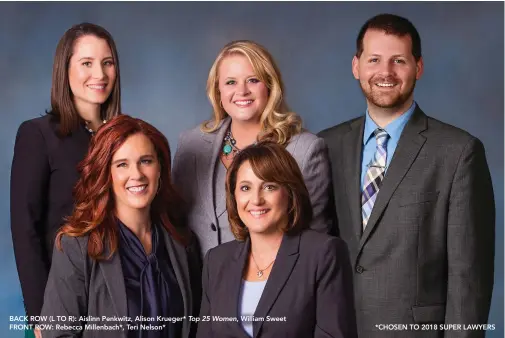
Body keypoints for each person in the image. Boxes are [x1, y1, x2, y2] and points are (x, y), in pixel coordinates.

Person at [318, 13, 495, 337]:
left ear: (418, 67)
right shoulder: (326, 145)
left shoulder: (458, 152)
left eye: (398, 60)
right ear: (356, 66)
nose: (385, 72)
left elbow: (469, 278)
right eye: (374, 60)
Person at [40, 115, 200, 338]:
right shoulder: (75, 246)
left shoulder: (182, 243)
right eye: (122, 164)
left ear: (160, 169)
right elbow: (58, 334)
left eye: (146, 161)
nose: (137, 174)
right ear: (106, 173)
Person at [10, 22, 121, 337]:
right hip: (61, 300)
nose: (99, 74)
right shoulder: (38, 135)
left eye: (107, 62)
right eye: (86, 63)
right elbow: (24, 230)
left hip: (119, 295)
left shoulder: (124, 136)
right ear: (65, 69)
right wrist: (41, 317)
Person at [172, 40, 332, 258]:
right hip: (196, 287)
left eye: (253, 80)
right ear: (217, 90)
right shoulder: (192, 144)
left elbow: (315, 242)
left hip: (271, 286)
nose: (242, 91)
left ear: (269, 85)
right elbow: (175, 222)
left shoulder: (304, 150)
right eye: (230, 82)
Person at [196, 141, 357, 338]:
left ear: (289, 192)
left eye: (269, 186)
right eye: (245, 188)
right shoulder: (216, 260)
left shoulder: (324, 253)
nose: (256, 200)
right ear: (234, 195)